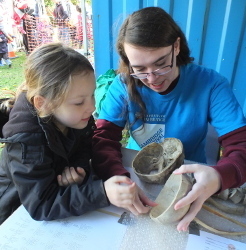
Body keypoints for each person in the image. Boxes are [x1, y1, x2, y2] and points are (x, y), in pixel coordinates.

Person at [92, 7, 246, 231]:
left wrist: (220, 176)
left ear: (176, 46)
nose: (152, 78)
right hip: (138, 177)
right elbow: (103, 139)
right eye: (140, 69)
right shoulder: (122, 85)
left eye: (161, 63)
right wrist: (119, 179)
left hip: (192, 178)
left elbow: (242, 146)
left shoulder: (211, 84)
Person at [0, 42, 156, 225]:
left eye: (92, 95)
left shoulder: (76, 116)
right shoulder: (26, 141)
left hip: (58, 197)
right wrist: (102, 192)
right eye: (79, 102)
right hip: (14, 215)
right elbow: (41, 204)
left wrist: (77, 168)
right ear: (43, 104)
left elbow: (85, 146)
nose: (91, 107)